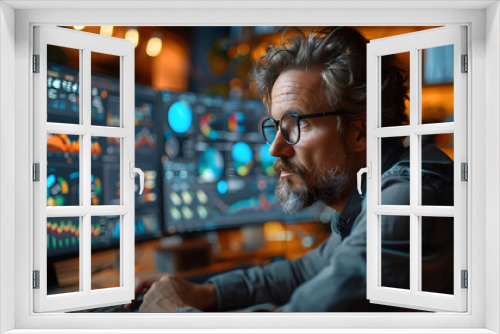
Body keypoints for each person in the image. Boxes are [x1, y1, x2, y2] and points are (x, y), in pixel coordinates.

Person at [132, 26, 454, 313]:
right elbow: (302, 272)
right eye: (275, 126)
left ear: (360, 131)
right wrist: (202, 292)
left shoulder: (405, 201)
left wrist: (175, 316)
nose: (275, 148)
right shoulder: (365, 197)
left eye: (295, 124)